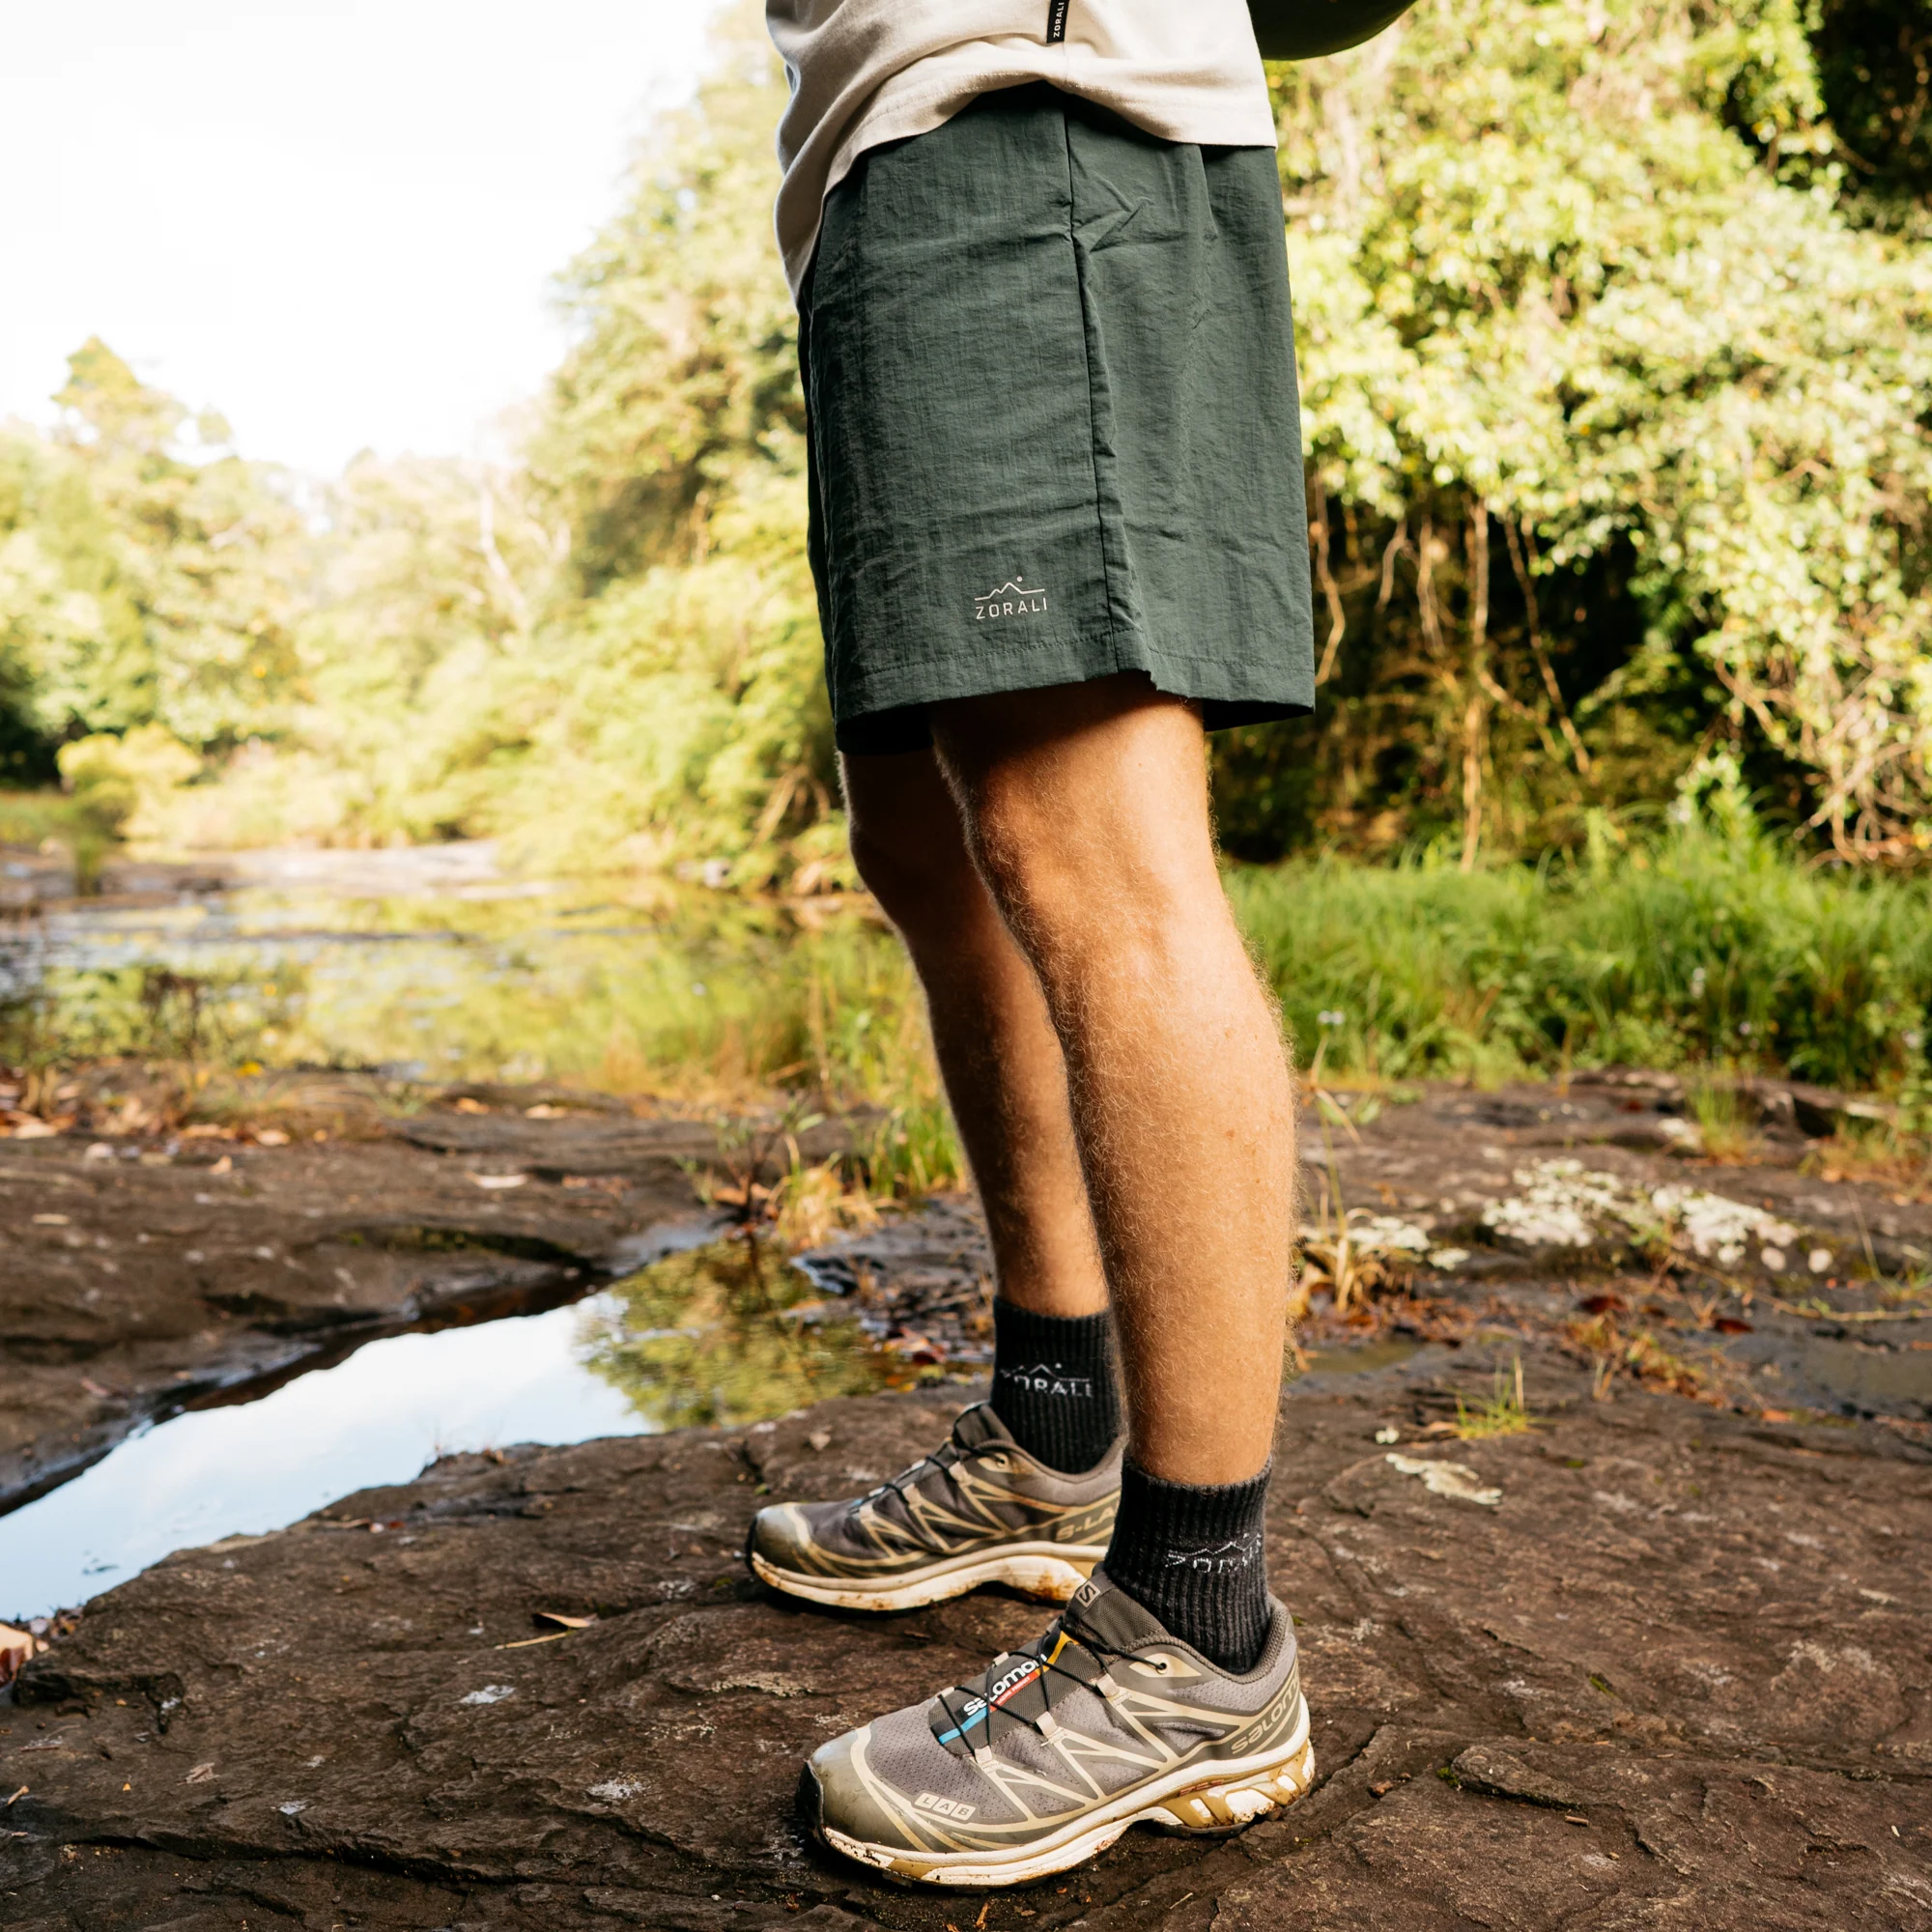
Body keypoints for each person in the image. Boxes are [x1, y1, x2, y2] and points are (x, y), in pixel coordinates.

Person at [746, 0, 1316, 1888]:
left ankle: (1197, 1626)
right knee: (926, 835)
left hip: (1034, 113)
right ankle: (1049, 1430)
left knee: (1089, 840)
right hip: (877, 167)